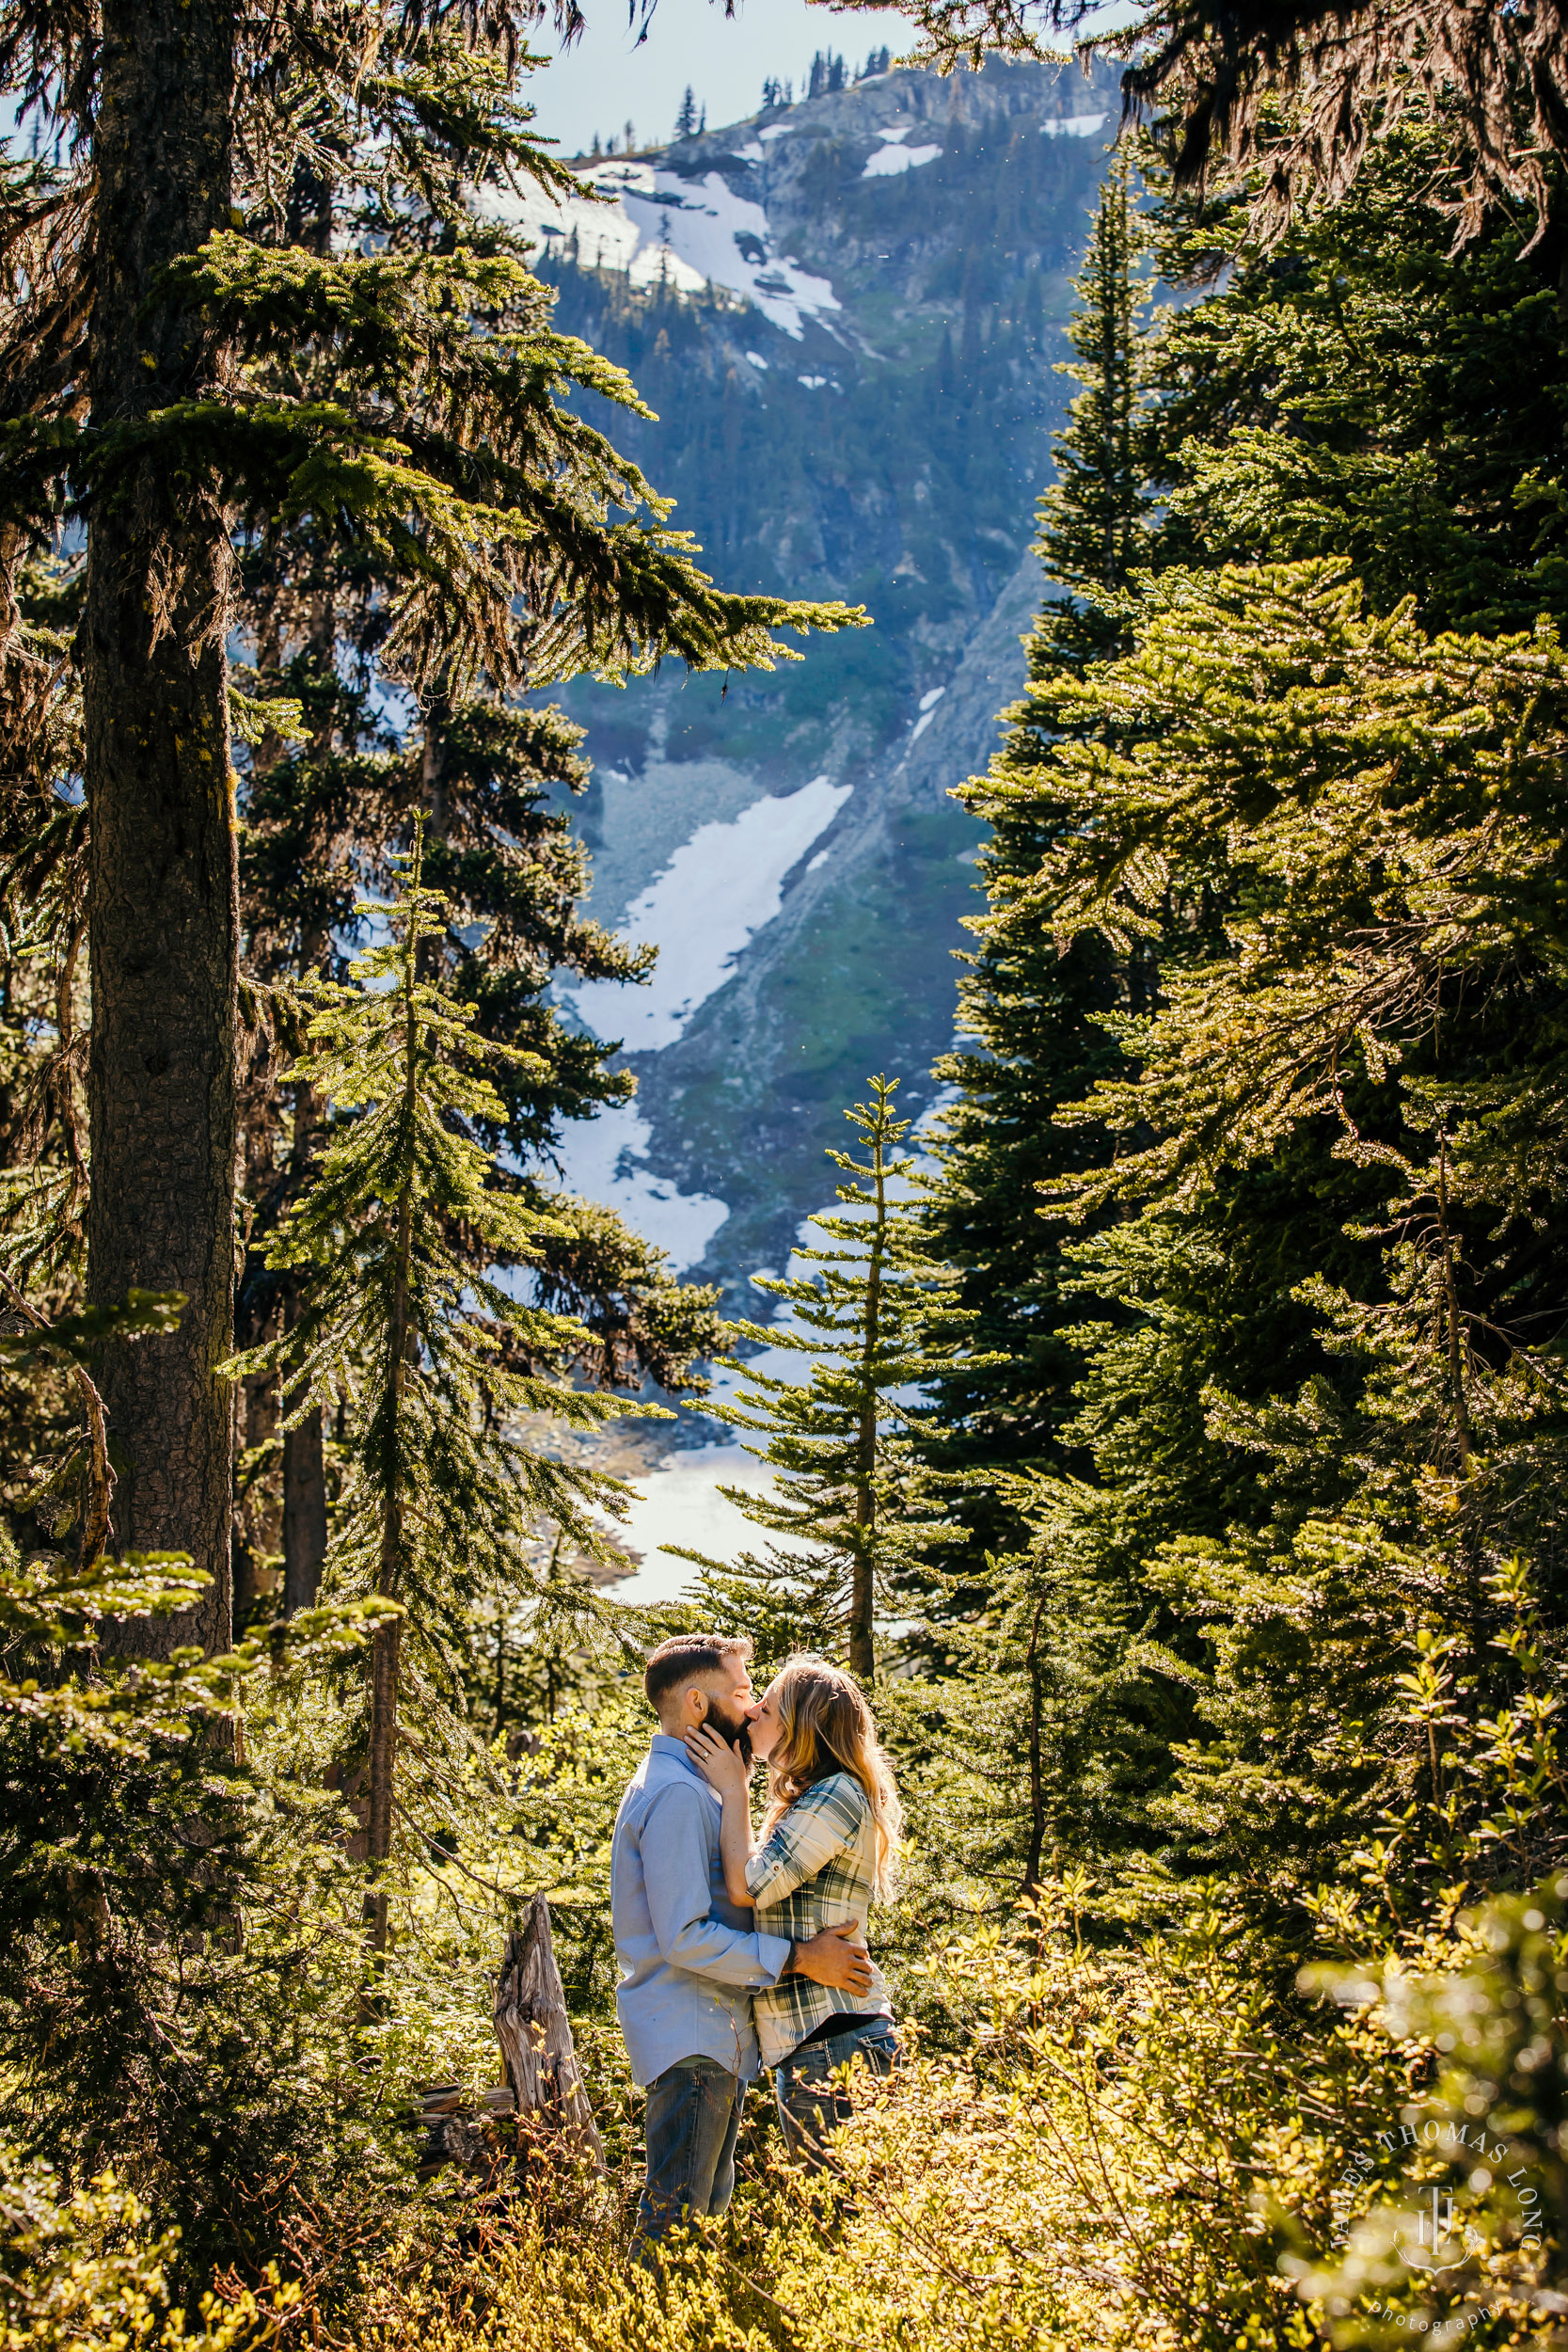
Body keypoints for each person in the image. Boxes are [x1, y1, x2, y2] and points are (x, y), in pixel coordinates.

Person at [610, 1632, 875, 2256]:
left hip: (713, 2034)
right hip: (692, 2032)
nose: (752, 1708)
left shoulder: (696, 1788)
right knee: (677, 2222)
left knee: (699, 2216)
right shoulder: (676, 1794)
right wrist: (801, 1957)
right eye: (740, 1693)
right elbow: (682, 1938)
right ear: (698, 1706)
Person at [685, 1653, 902, 2167]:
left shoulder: (837, 1794)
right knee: (844, 2225)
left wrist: (734, 1787)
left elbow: (750, 1887)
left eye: (770, 1703)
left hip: (835, 2045)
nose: (753, 1709)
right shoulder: (815, 1797)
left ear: (802, 1724)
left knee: (844, 2223)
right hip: (817, 2045)